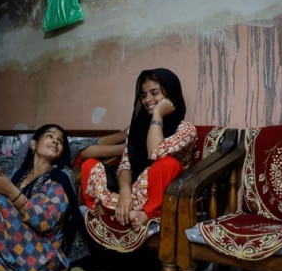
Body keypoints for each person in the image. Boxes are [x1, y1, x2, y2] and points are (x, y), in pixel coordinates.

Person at [80, 68, 197, 235]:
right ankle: (116, 209)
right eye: (143, 95)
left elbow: (155, 152)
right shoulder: (137, 128)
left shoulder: (185, 129)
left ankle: (146, 215)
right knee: (89, 165)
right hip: (135, 191)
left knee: (167, 164)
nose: (147, 100)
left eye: (154, 93)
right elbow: (125, 165)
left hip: (163, 194)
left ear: (170, 94)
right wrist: (125, 194)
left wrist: (157, 115)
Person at [0, 124, 84, 271]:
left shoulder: (61, 179)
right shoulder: (19, 174)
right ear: (33, 144)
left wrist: (10, 191)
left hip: (43, 256)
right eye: (50, 136)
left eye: (60, 141)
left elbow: (45, 223)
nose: (55, 141)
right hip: (15, 254)